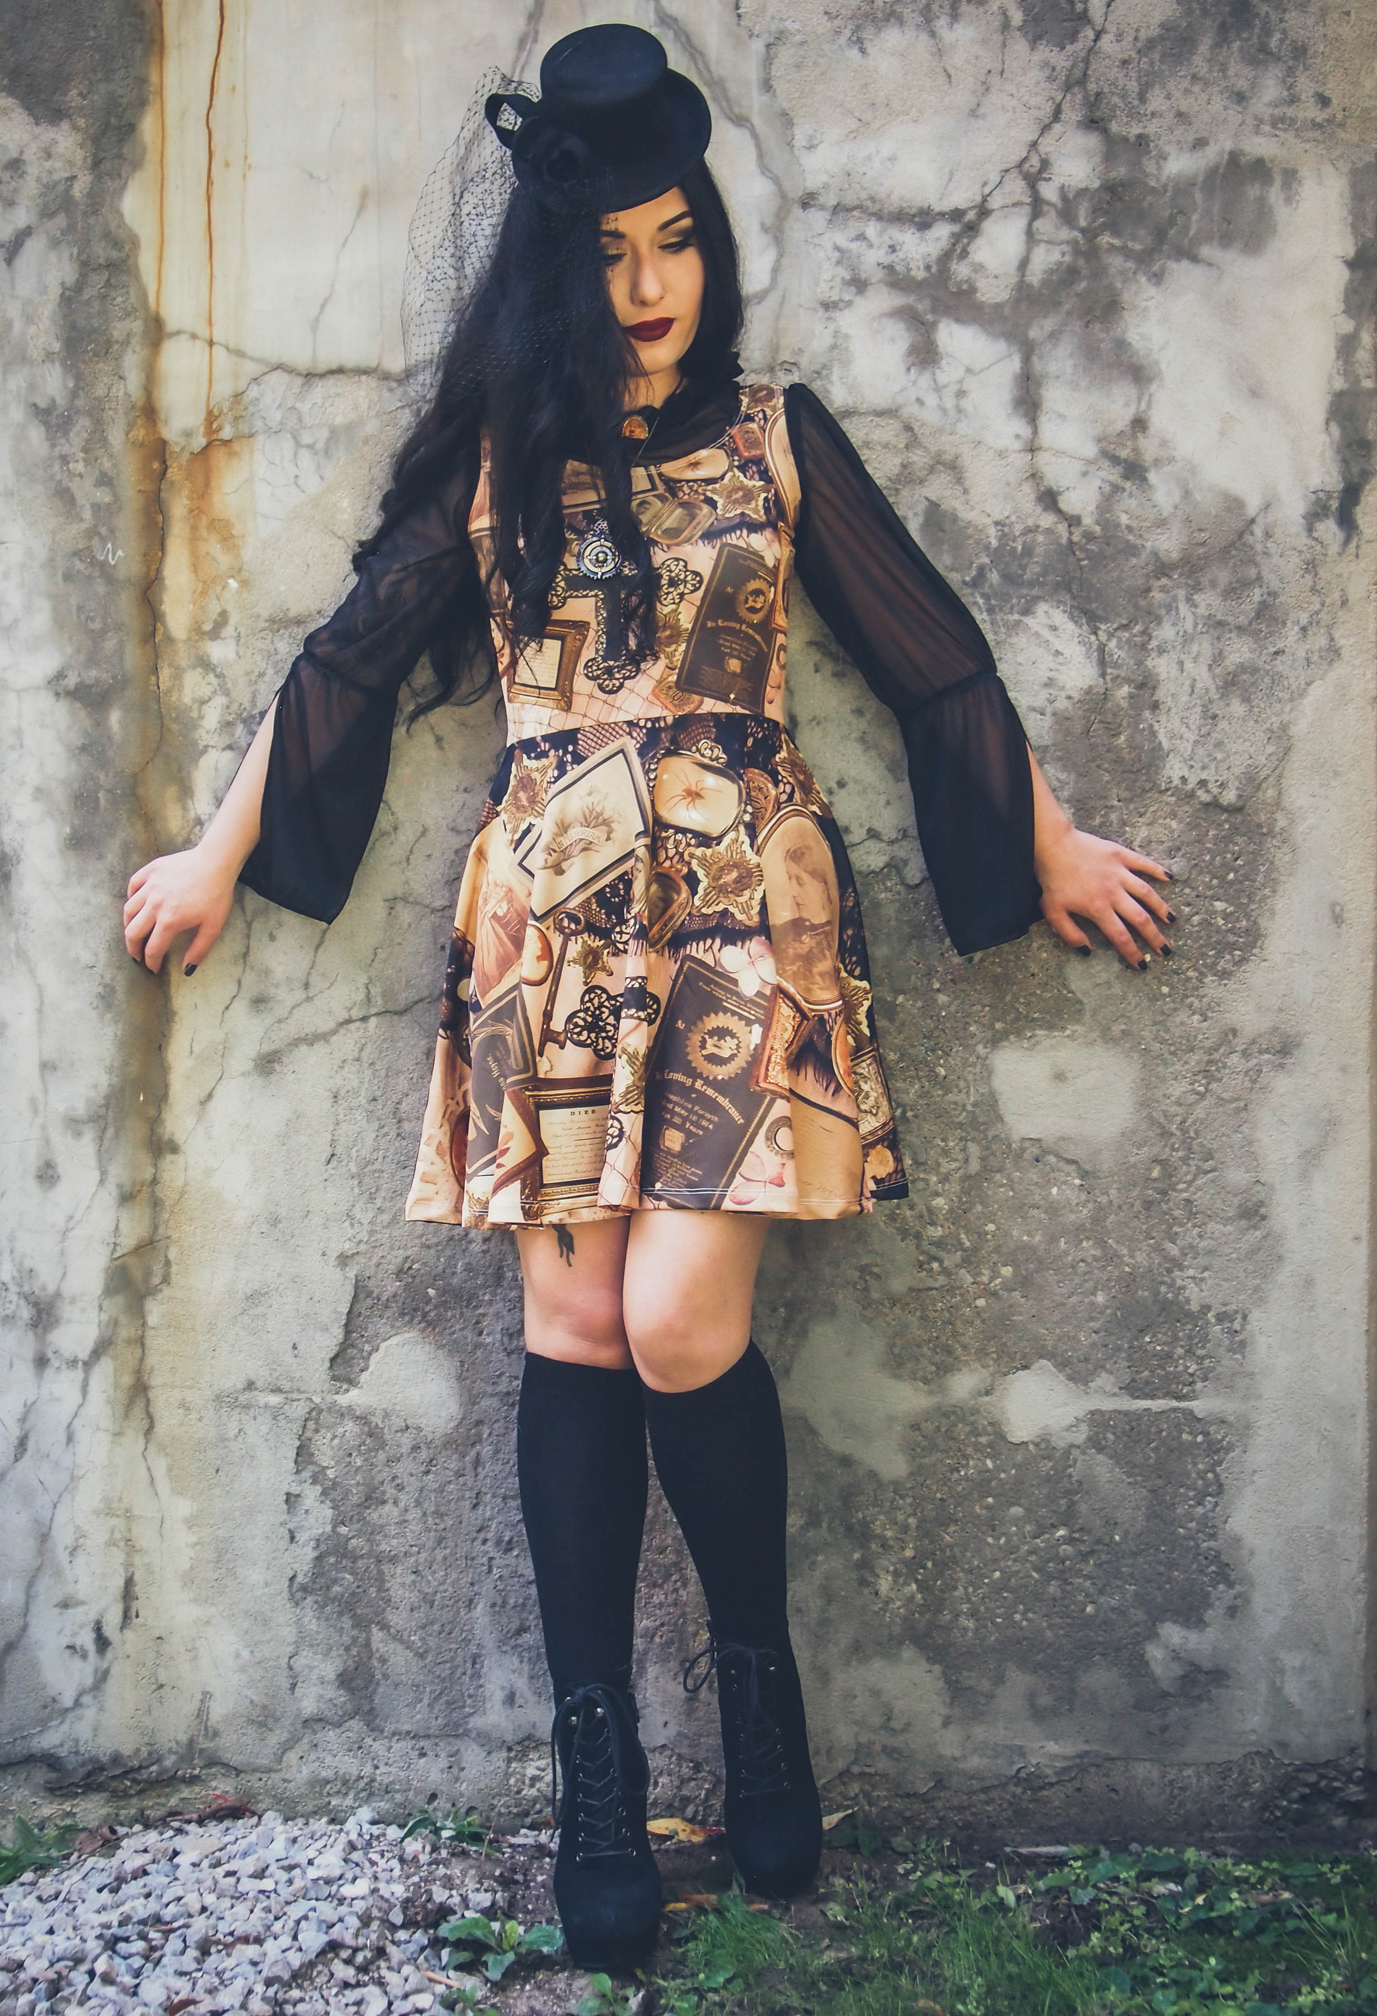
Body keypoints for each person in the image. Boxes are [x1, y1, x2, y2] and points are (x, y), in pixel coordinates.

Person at [121, 23, 1174, 1974]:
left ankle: (759, 1691)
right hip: (549, 927)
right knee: (573, 1320)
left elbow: (928, 654)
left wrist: (1039, 845)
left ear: (711, 240)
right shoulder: (503, 465)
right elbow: (347, 663)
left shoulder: (777, 437)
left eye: (676, 239)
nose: (651, 285)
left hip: (742, 915)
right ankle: (598, 1772)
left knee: (681, 1319)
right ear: (558, 270)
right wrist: (212, 852)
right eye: (610, 253)